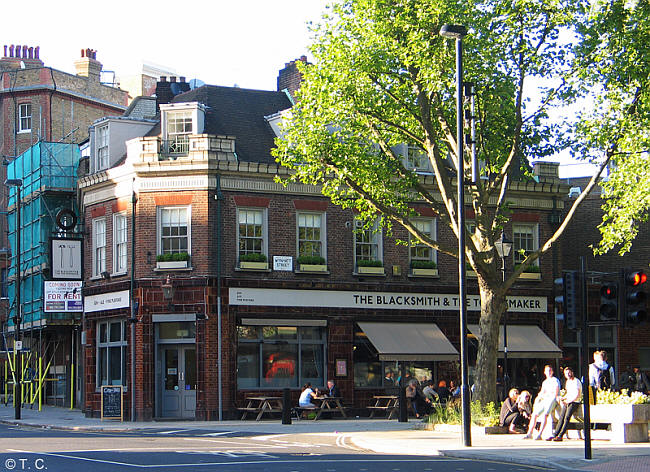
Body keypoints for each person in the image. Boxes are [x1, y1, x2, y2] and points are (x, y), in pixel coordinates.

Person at [523, 365, 560, 440]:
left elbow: (556, 391)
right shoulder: (545, 382)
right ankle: (529, 433)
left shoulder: (555, 380)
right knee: (535, 414)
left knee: (545, 414)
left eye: (550, 370)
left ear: (552, 372)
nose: (549, 372)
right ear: (544, 372)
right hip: (545, 400)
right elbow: (542, 392)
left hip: (552, 399)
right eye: (547, 371)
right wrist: (538, 398)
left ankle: (540, 434)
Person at [548, 367, 582, 442]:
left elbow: (577, 394)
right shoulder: (568, 382)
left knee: (567, 418)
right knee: (561, 417)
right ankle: (555, 434)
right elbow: (568, 393)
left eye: (569, 373)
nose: (568, 374)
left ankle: (560, 435)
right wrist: (563, 398)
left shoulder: (576, 381)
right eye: (566, 373)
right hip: (568, 401)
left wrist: (569, 400)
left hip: (574, 402)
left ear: (572, 372)